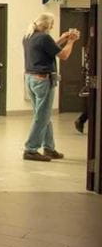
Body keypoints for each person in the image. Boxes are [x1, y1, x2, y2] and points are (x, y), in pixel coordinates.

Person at [22, 13, 80, 161]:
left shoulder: (29, 36)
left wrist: (62, 39)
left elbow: (48, 48)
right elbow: (64, 55)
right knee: (42, 116)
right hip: (43, 81)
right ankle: (30, 149)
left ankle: (49, 148)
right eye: (52, 24)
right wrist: (71, 42)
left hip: (30, 79)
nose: (52, 26)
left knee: (44, 115)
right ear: (46, 24)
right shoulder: (44, 37)